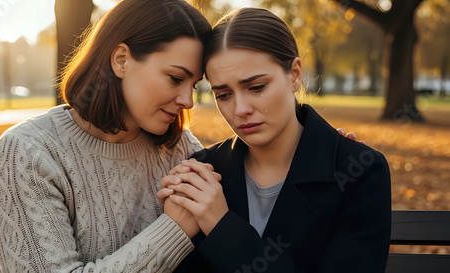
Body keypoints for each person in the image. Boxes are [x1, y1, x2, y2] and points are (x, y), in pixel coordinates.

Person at [0, 0, 213, 272]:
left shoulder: (181, 150)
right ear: (121, 60)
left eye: (194, 84)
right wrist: (173, 230)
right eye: (175, 78)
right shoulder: (28, 151)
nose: (188, 101)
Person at [158, 7, 392, 273]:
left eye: (256, 87)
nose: (240, 109)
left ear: (294, 75)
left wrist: (222, 226)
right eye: (223, 94)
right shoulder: (202, 174)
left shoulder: (358, 171)